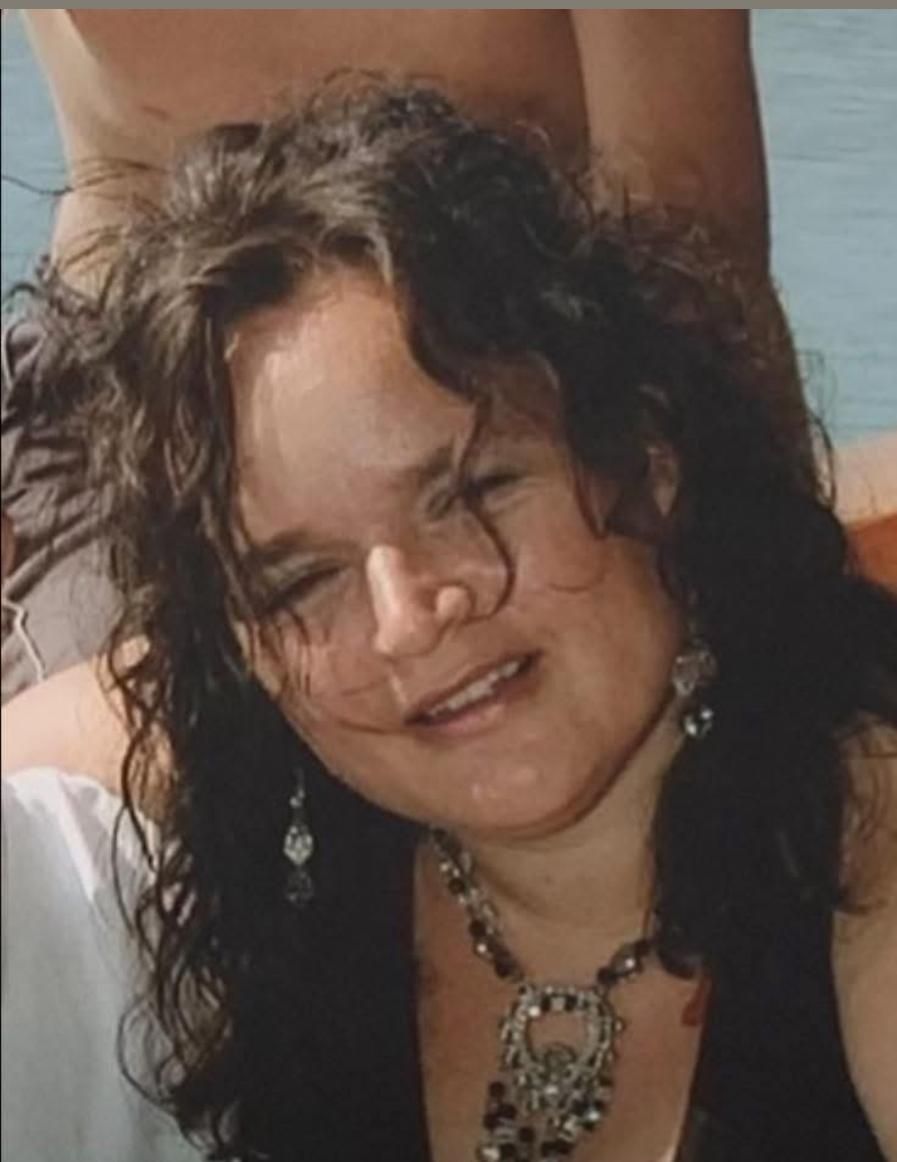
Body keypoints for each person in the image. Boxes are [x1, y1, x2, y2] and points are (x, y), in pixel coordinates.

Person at [3, 82, 896, 1162]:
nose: (406, 620)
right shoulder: (259, 806)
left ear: (646, 457)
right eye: (301, 581)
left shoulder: (863, 832)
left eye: (469, 492)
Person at [2, 9, 792, 703]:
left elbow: (690, 243)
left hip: (517, 366)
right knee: (103, 783)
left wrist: (764, 577)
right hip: (133, 388)